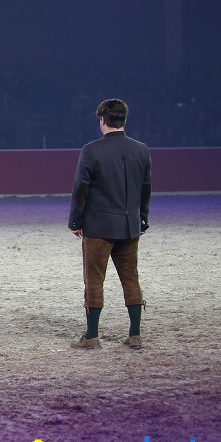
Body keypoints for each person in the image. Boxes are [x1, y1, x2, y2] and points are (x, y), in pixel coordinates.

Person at [68, 98, 152, 350]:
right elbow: (145, 188)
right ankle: (134, 334)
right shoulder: (141, 149)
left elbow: (81, 188)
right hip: (129, 226)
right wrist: (143, 218)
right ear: (124, 120)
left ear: (102, 120)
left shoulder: (91, 150)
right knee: (131, 278)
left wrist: (76, 220)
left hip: (99, 227)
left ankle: (92, 336)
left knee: (94, 280)